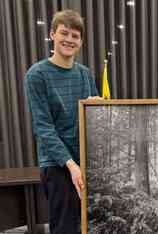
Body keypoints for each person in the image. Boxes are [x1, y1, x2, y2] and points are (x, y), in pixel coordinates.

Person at [25, 10, 99, 234]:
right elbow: (43, 128)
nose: (69, 39)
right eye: (64, 33)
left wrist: (98, 108)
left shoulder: (85, 74)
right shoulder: (36, 75)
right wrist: (71, 165)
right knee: (66, 229)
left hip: (85, 162)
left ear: (81, 41)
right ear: (52, 35)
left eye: (75, 36)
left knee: (91, 226)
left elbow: (93, 119)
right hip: (58, 166)